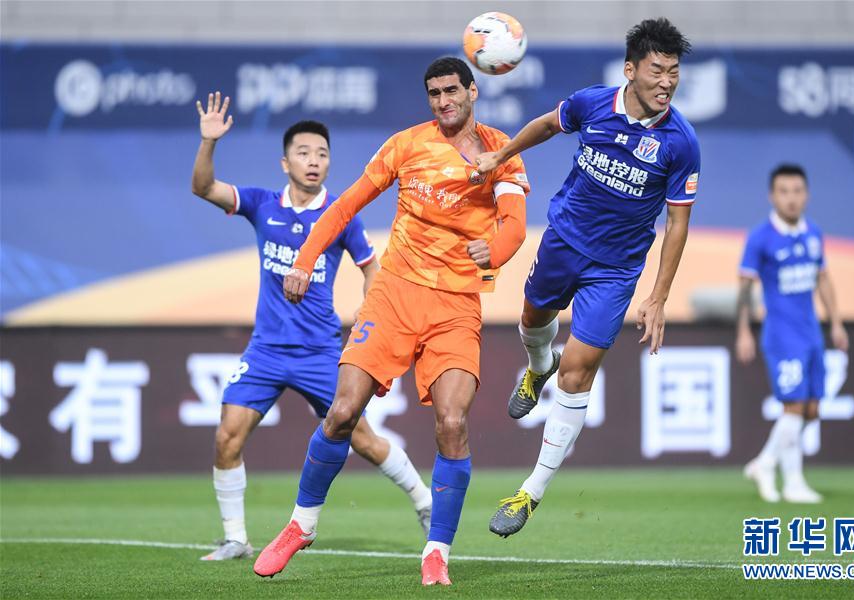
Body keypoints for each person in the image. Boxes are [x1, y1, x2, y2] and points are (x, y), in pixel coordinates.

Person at [252, 57, 529, 586]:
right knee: (341, 412)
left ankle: (436, 551)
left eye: (452, 91)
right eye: (434, 93)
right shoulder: (406, 144)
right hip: (393, 295)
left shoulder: (500, 151)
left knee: (452, 424)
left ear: (472, 91)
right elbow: (345, 206)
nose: (443, 101)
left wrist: (492, 252)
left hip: (455, 305)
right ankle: (301, 525)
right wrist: (305, 259)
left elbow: (515, 225)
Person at [474, 17, 700, 537]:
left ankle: (530, 492)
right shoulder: (592, 104)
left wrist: (658, 297)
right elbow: (548, 125)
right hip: (564, 241)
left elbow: (677, 222)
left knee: (578, 372)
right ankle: (537, 366)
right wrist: (501, 155)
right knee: (533, 318)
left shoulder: (681, 142)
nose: (666, 82)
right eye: (657, 70)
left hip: (615, 271)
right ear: (630, 70)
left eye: (674, 72)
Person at [190, 92, 431, 561]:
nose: (314, 161)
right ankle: (236, 538)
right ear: (286, 163)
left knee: (363, 440)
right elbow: (203, 187)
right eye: (304, 153)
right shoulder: (261, 204)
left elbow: (371, 267)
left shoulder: (341, 215)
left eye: (322, 153)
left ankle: (424, 501)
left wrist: (370, 312)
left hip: (320, 351)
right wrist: (208, 142)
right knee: (227, 436)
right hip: (266, 350)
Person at [738, 164, 848, 504]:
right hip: (782, 334)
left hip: (811, 332)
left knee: (811, 410)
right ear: (772, 196)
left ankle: (764, 463)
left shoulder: (813, 233)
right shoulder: (760, 237)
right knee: (794, 407)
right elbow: (745, 287)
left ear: (807, 195)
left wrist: (836, 322)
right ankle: (793, 482)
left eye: (797, 191)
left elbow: (822, 278)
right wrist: (743, 331)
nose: (791, 198)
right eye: (784, 191)